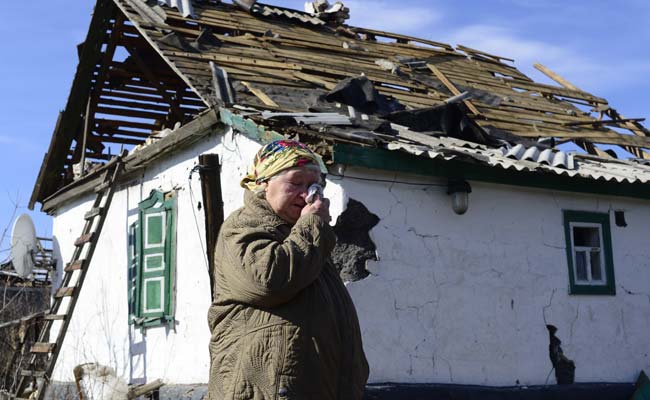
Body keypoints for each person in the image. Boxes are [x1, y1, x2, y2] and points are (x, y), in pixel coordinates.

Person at [207, 139, 369, 399]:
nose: (308, 194)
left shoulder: (304, 236)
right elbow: (269, 280)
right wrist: (312, 224)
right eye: (296, 183)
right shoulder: (244, 226)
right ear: (263, 185)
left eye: (314, 185)